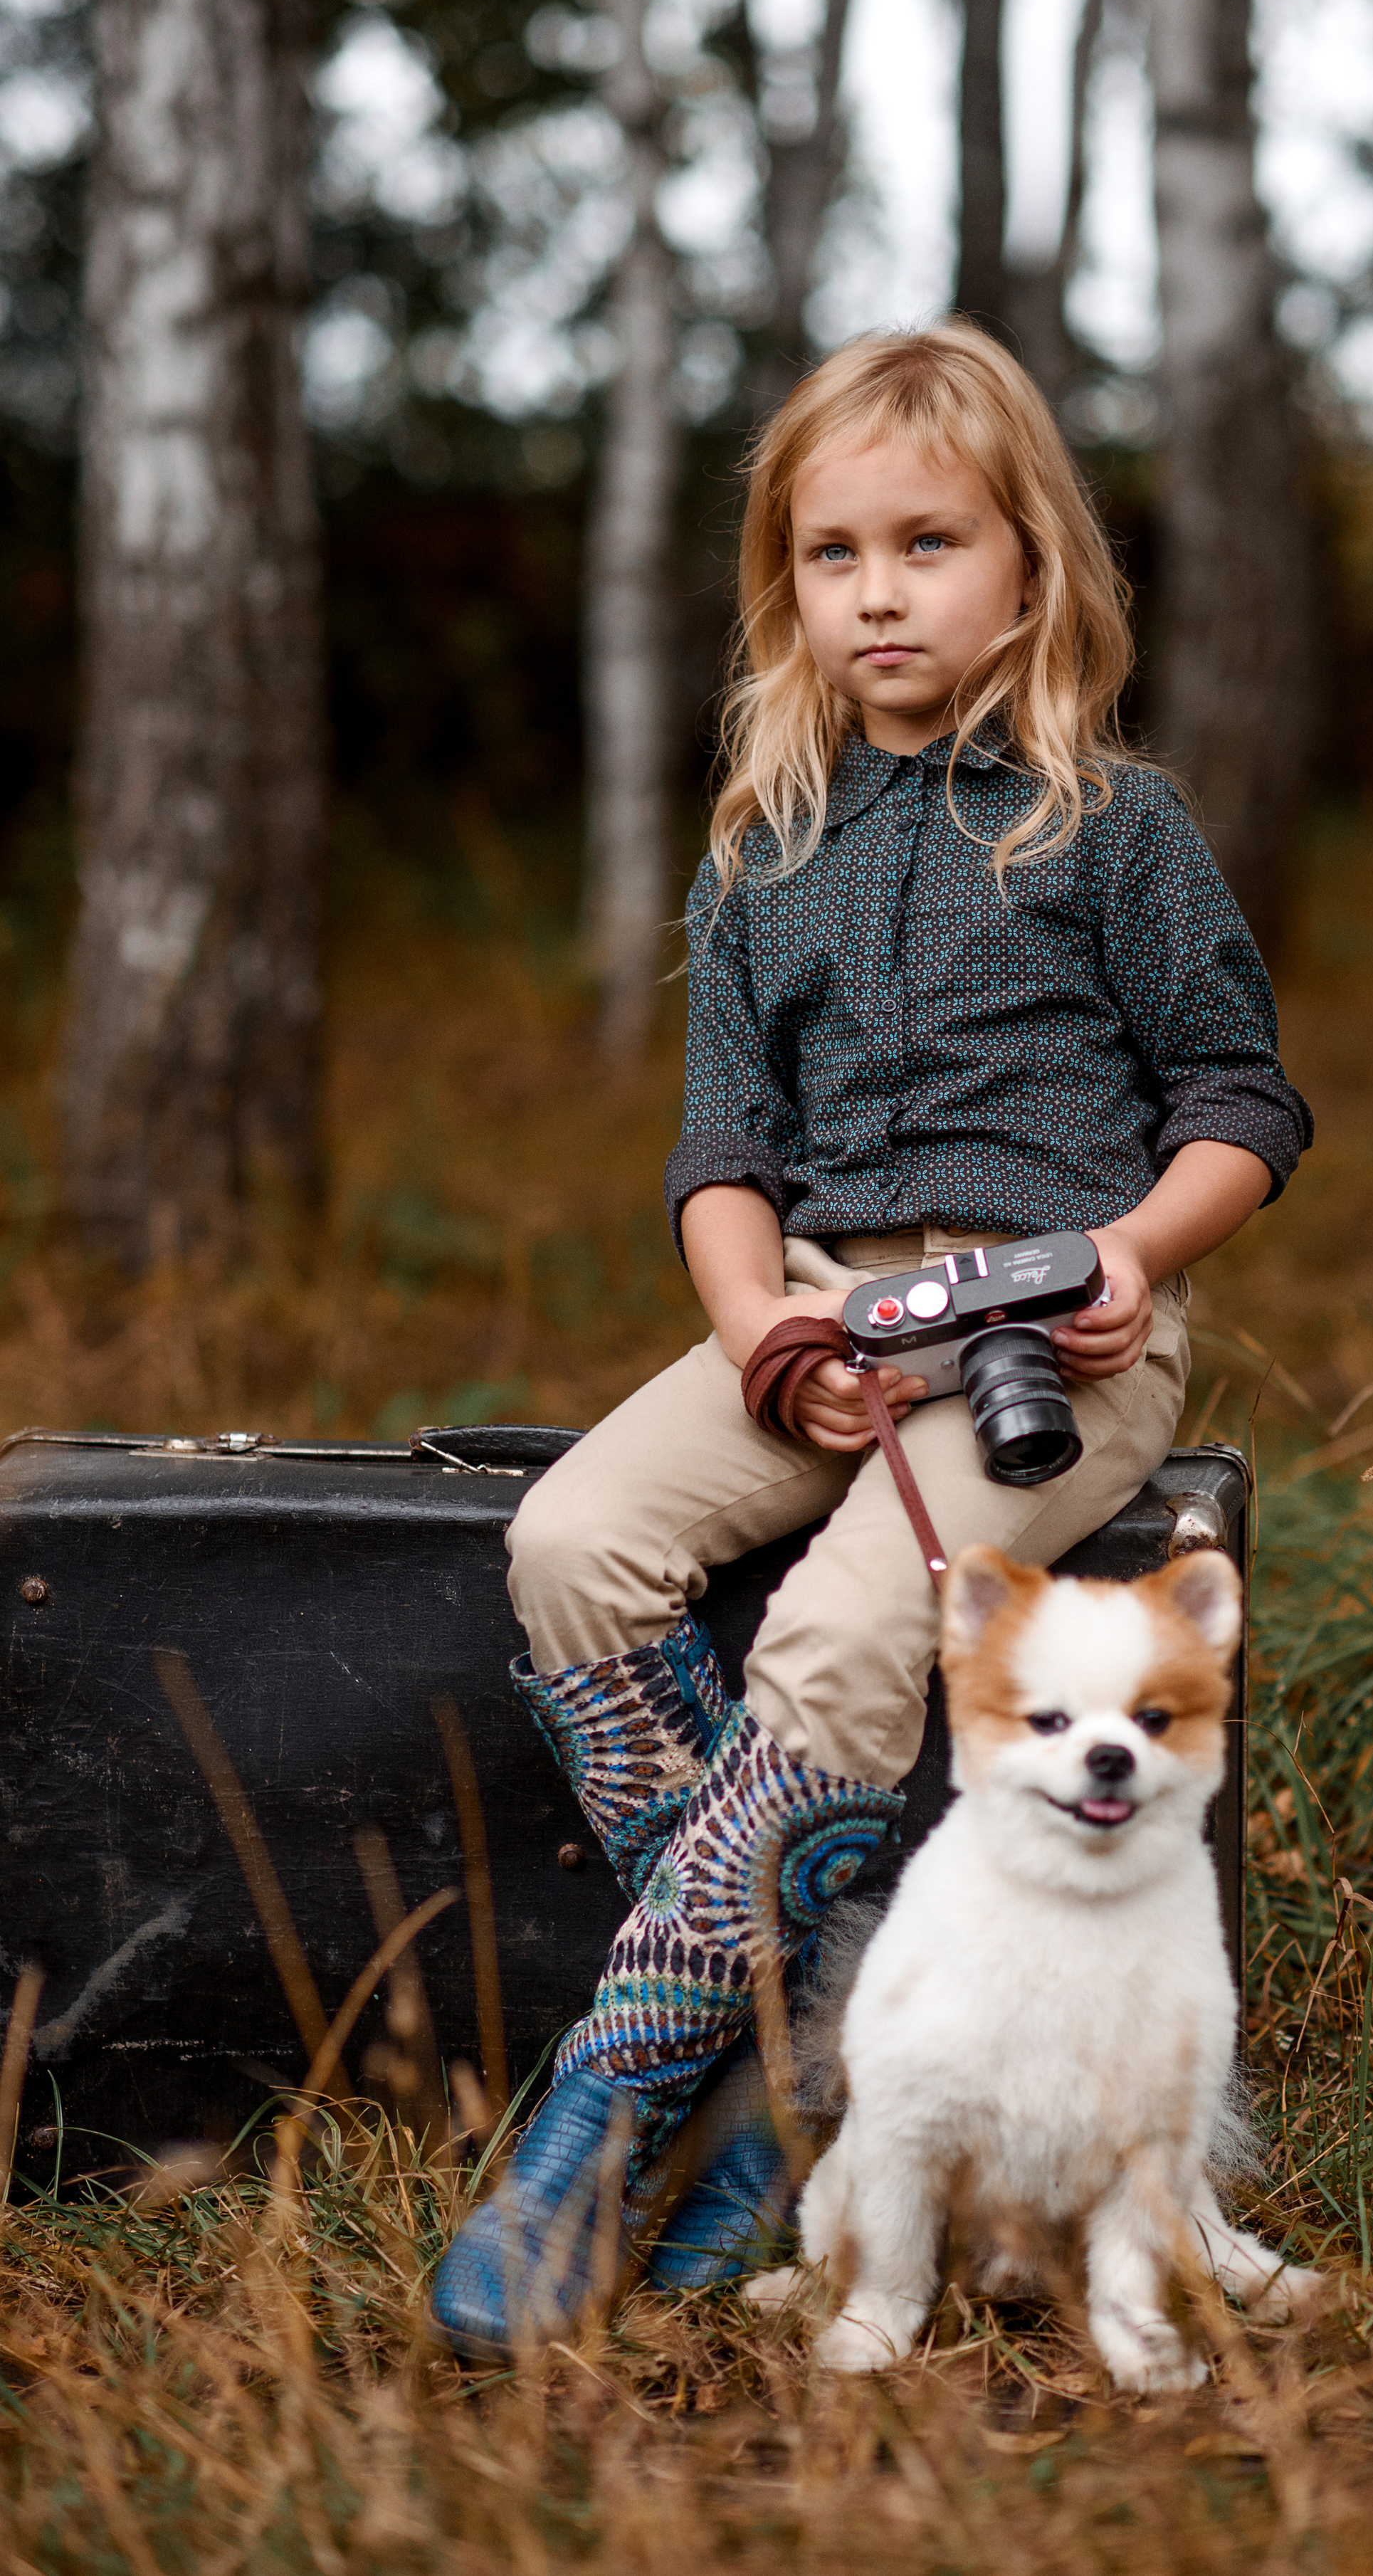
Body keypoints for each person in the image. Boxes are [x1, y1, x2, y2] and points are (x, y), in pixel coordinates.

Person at [429, 321, 1312, 2355]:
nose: (882, 590)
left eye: (930, 542)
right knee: (572, 1540)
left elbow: (1245, 1102)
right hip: (826, 1302)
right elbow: (721, 1154)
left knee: (840, 1635)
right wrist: (759, 1330)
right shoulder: (764, 842)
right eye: (835, 555)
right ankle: (790, 2049)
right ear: (788, 586)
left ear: (1029, 567)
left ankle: (600, 2114)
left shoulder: (1114, 824)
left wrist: (1126, 1255)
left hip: (1053, 1338)